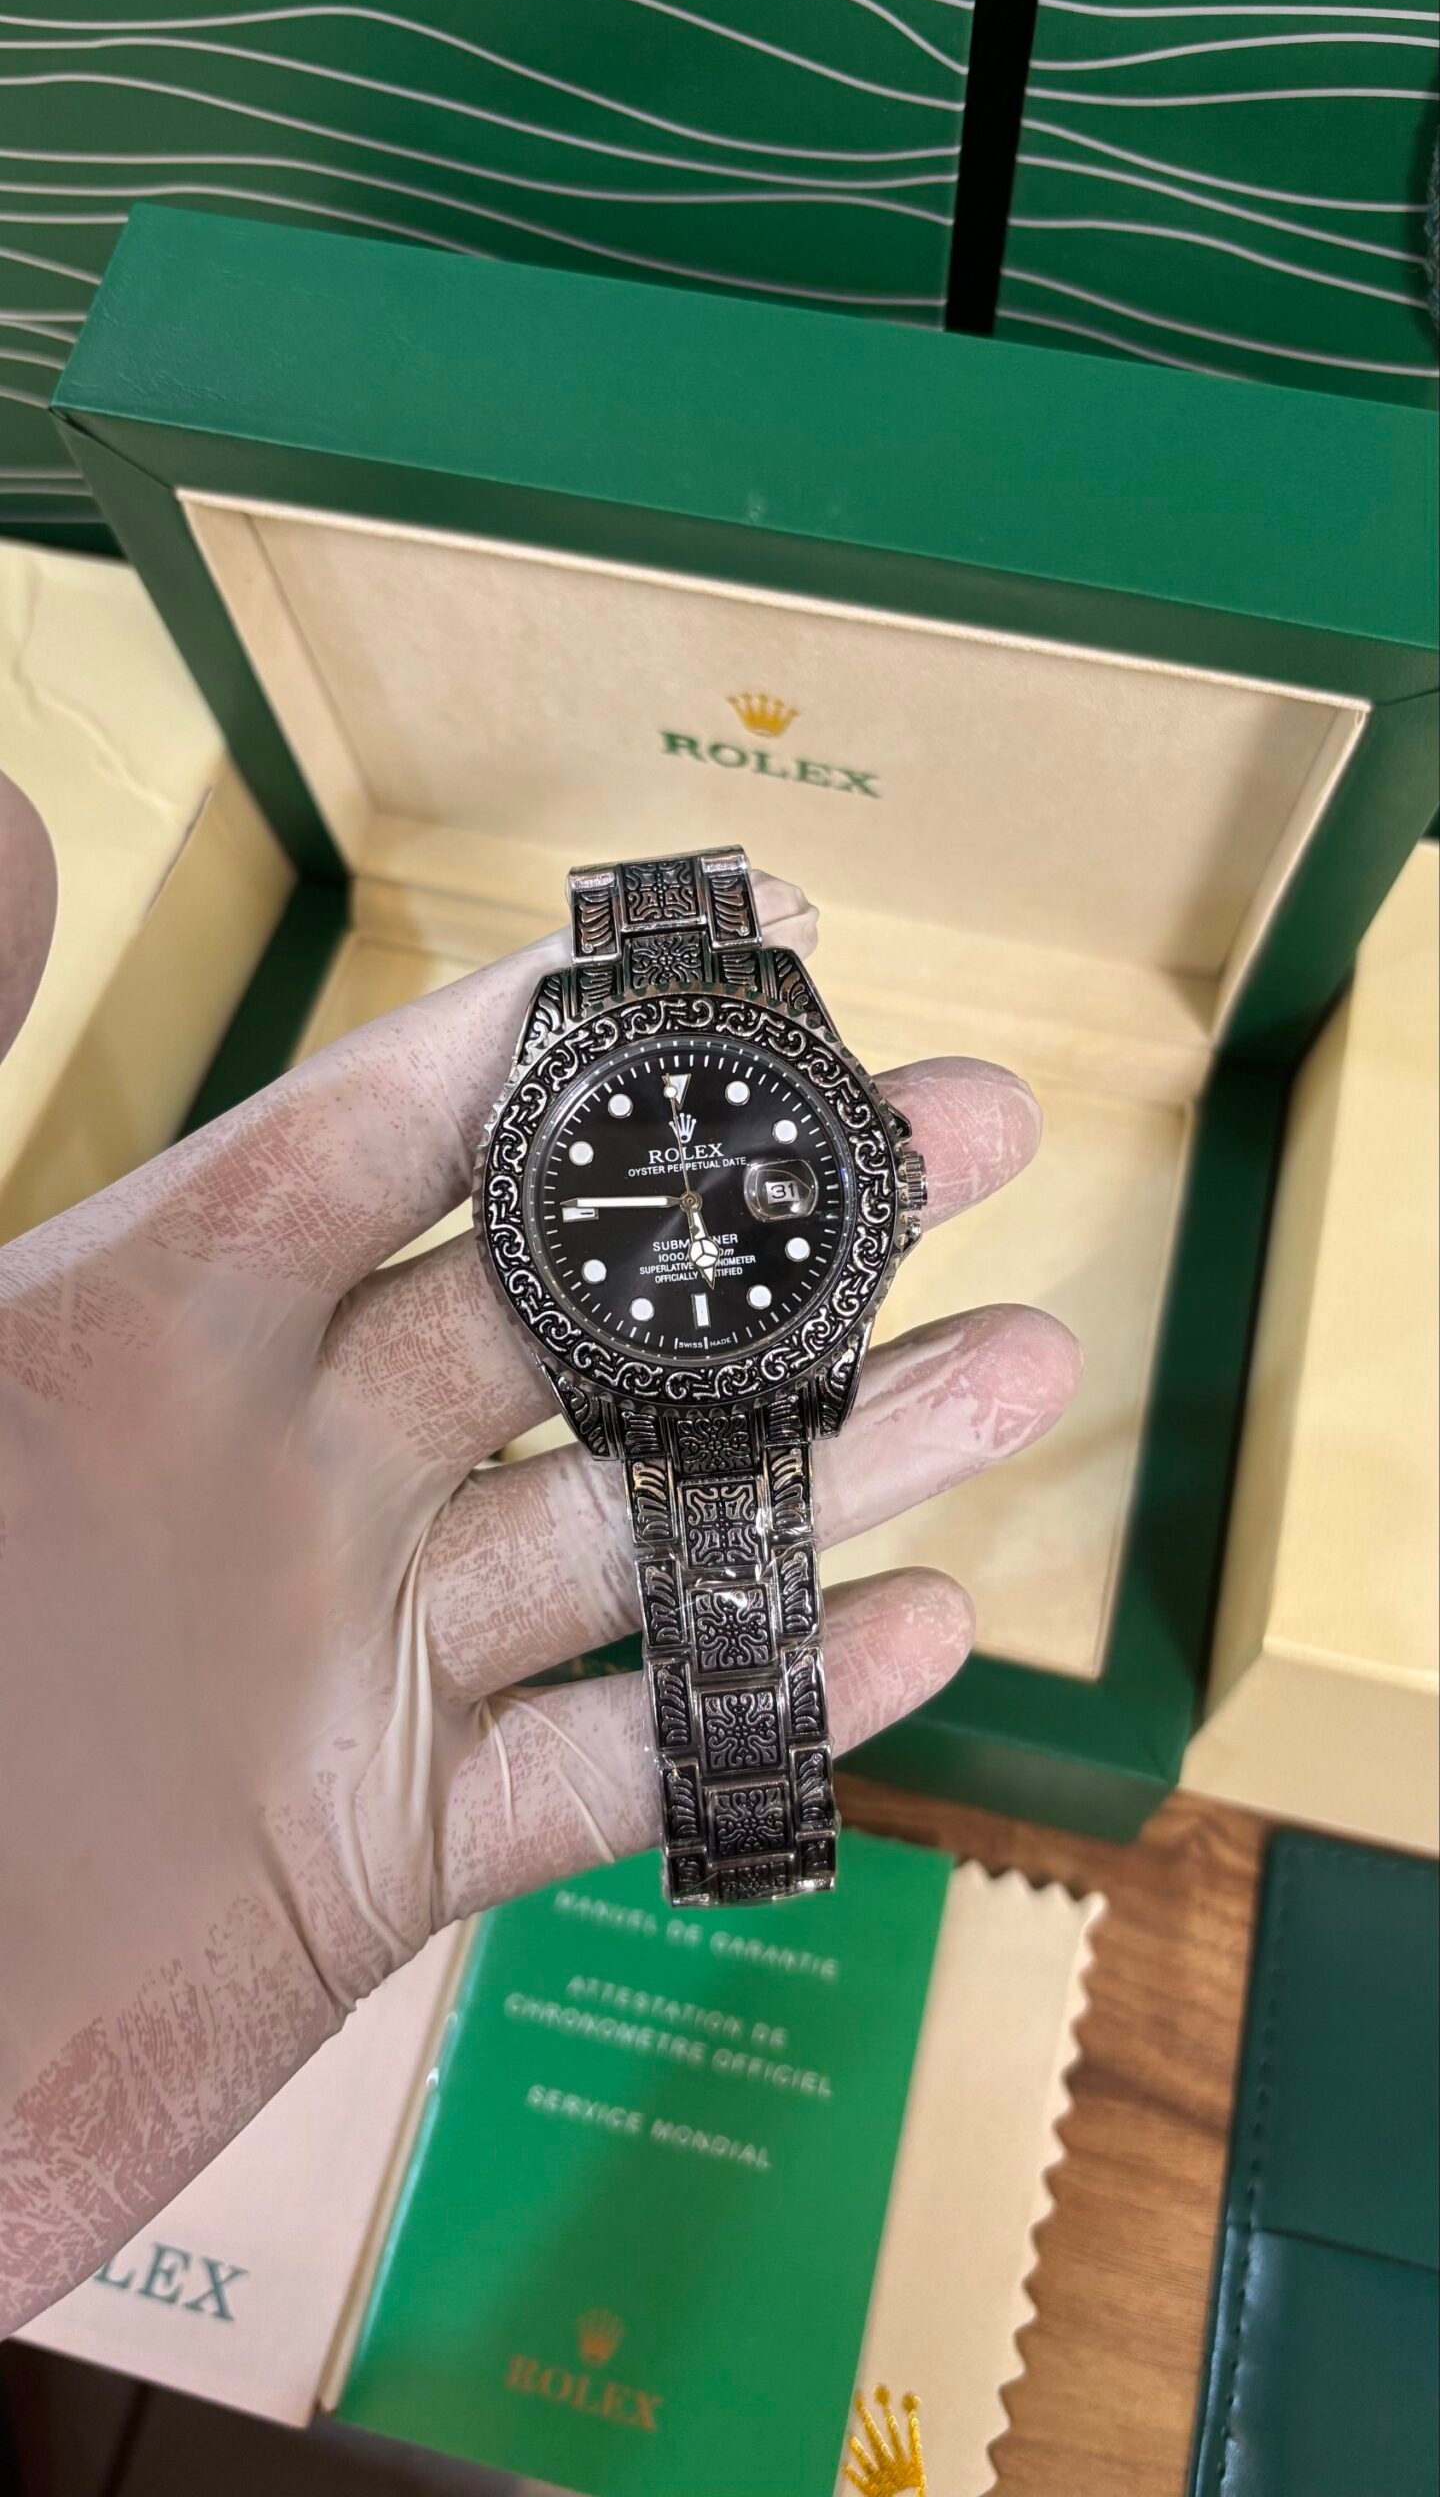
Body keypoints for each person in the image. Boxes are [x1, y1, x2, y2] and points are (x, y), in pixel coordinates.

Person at [0, 872, 1080, 2336]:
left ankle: (750, 1826)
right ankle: (748, 1826)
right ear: (518, 1210)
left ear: (867, 1187)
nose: (688, 1206)